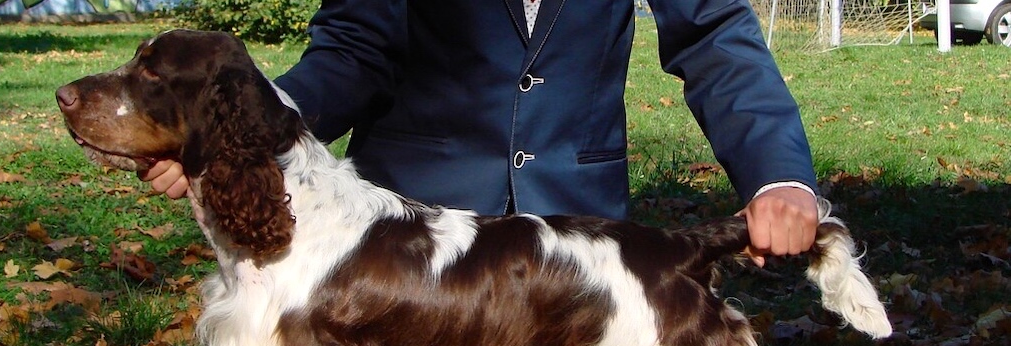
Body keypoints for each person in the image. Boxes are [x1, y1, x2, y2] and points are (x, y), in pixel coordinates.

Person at [145, 0, 819, 263]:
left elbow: (715, 39)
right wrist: (243, 130)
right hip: (409, 259)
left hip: (576, 258)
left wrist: (777, 177)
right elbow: (352, 49)